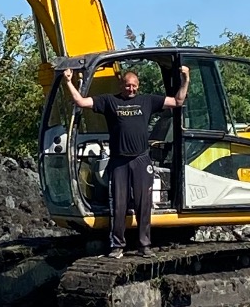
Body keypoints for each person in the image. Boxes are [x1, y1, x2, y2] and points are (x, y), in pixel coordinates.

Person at [63, 62, 191, 256]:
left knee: (143, 204)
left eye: (134, 86)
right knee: (118, 204)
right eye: (127, 85)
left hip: (141, 160)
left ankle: (144, 245)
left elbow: (178, 101)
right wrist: (68, 82)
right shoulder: (109, 101)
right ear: (121, 85)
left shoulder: (147, 101)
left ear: (138, 86)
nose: (131, 89)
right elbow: (81, 102)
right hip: (119, 162)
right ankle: (117, 246)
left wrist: (185, 79)